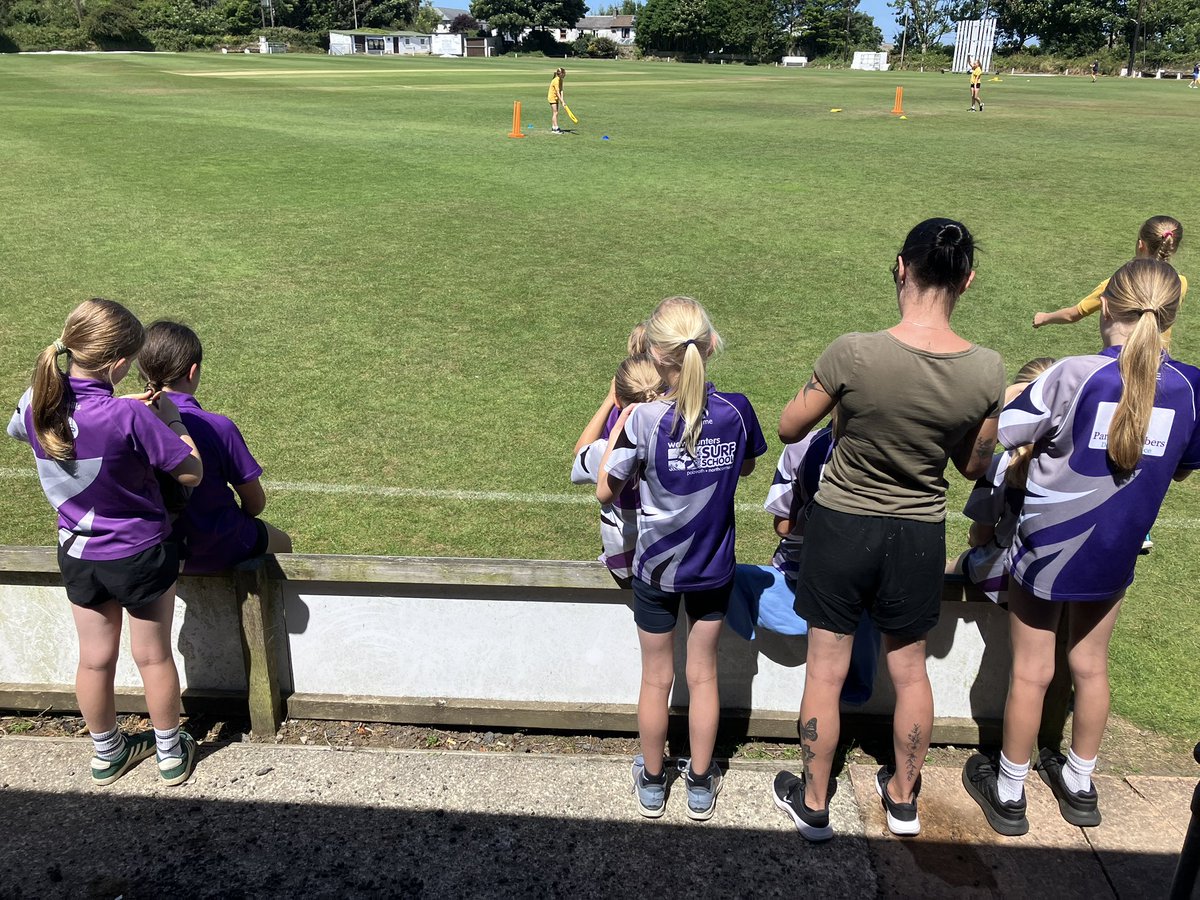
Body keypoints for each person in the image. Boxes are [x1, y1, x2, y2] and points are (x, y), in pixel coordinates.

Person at [771, 218, 1006, 841]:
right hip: (918, 534)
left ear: (901, 267)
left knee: (824, 670)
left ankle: (814, 804)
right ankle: (903, 798)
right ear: (968, 280)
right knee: (911, 671)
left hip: (843, 526)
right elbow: (975, 463)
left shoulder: (853, 352)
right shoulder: (986, 370)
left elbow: (791, 427)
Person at [963, 258, 1200, 836]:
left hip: (1047, 550)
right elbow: (1182, 469)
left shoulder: (1074, 373)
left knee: (1032, 671)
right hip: (1116, 551)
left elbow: (1004, 432)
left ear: (1108, 308)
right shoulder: (1192, 385)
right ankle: (1079, 783)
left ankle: (1010, 791)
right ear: (1171, 313)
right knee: (1091, 667)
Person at [6, 298, 203, 787]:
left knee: (94, 658)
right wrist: (171, 419)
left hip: (78, 553)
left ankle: (106, 753)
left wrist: (111, 414)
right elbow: (190, 471)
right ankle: (169, 753)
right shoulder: (130, 418)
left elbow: (21, 430)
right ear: (117, 364)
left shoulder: (37, 399)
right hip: (139, 550)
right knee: (153, 656)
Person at [597, 296, 767, 821]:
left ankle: (652, 783)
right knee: (704, 677)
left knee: (655, 680)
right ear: (711, 345)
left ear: (653, 351)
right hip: (713, 570)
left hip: (655, 570)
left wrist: (617, 414)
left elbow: (605, 490)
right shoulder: (736, 410)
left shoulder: (643, 418)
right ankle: (698, 784)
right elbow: (746, 470)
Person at [137, 321, 291, 574]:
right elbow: (255, 503)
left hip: (151, 546)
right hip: (217, 543)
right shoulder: (217, 426)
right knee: (283, 544)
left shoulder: (124, 420)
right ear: (192, 371)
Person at [956, 358, 1057, 603]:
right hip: (1058, 574)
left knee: (953, 570)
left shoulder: (1000, 464)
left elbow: (980, 535)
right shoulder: (1072, 462)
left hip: (1004, 573)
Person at [571, 353, 664, 587]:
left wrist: (608, 402)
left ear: (617, 396)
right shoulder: (679, 442)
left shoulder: (608, 453)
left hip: (627, 564)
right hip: (676, 558)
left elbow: (581, 452)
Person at [1033, 216, 1186, 346]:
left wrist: (1044, 317)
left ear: (1141, 245)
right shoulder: (1180, 283)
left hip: (1122, 360)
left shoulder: (1117, 284)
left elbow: (1073, 314)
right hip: (1160, 363)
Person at [548, 67, 566, 134]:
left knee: (555, 112)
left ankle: (553, 127)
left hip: (556, 97)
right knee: (555, 113)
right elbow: (557, 92)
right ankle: (556, 128)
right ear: (561, 74)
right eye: (564, 73)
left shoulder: (560, 80)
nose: (565, 75)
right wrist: (561, 101)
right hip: (552, 97)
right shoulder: (556, 80)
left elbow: (561, 90)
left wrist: (562, 100)